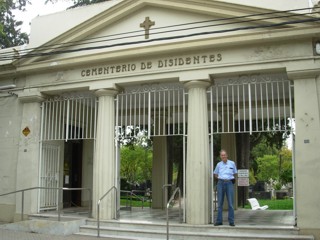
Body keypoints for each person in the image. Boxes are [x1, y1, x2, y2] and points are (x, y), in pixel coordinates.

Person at [213, 149, 237, 226]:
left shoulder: (232, 163)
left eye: (224, 155)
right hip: (220, 183)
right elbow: (215, 174)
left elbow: (235, 173)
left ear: (227, 155)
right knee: (220, 203)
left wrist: (230, 179)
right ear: (220, 156)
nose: (223, 156)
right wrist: (220, 179)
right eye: (222, 155)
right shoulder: (218, 164)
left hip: (229, 183)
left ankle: (231, 221)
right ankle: (219, 221)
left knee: (230, 203)